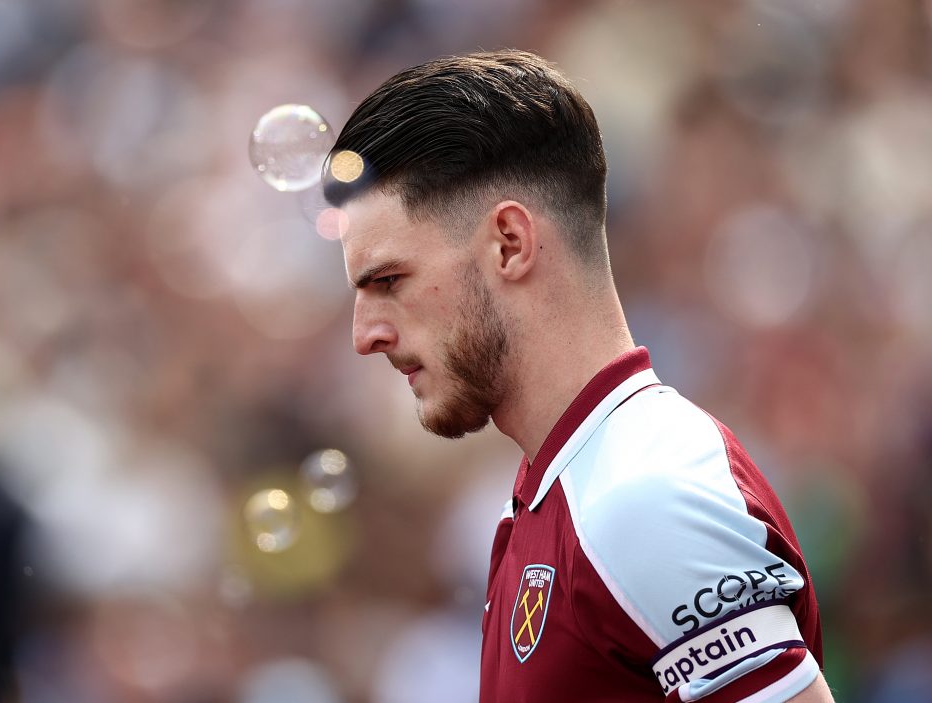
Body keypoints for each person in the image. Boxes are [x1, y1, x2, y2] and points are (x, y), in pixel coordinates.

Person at [323, 50, 833, 702]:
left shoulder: (645, 497)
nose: (366, 335)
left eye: (390, 280)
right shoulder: (565, 486)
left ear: (510, 242)